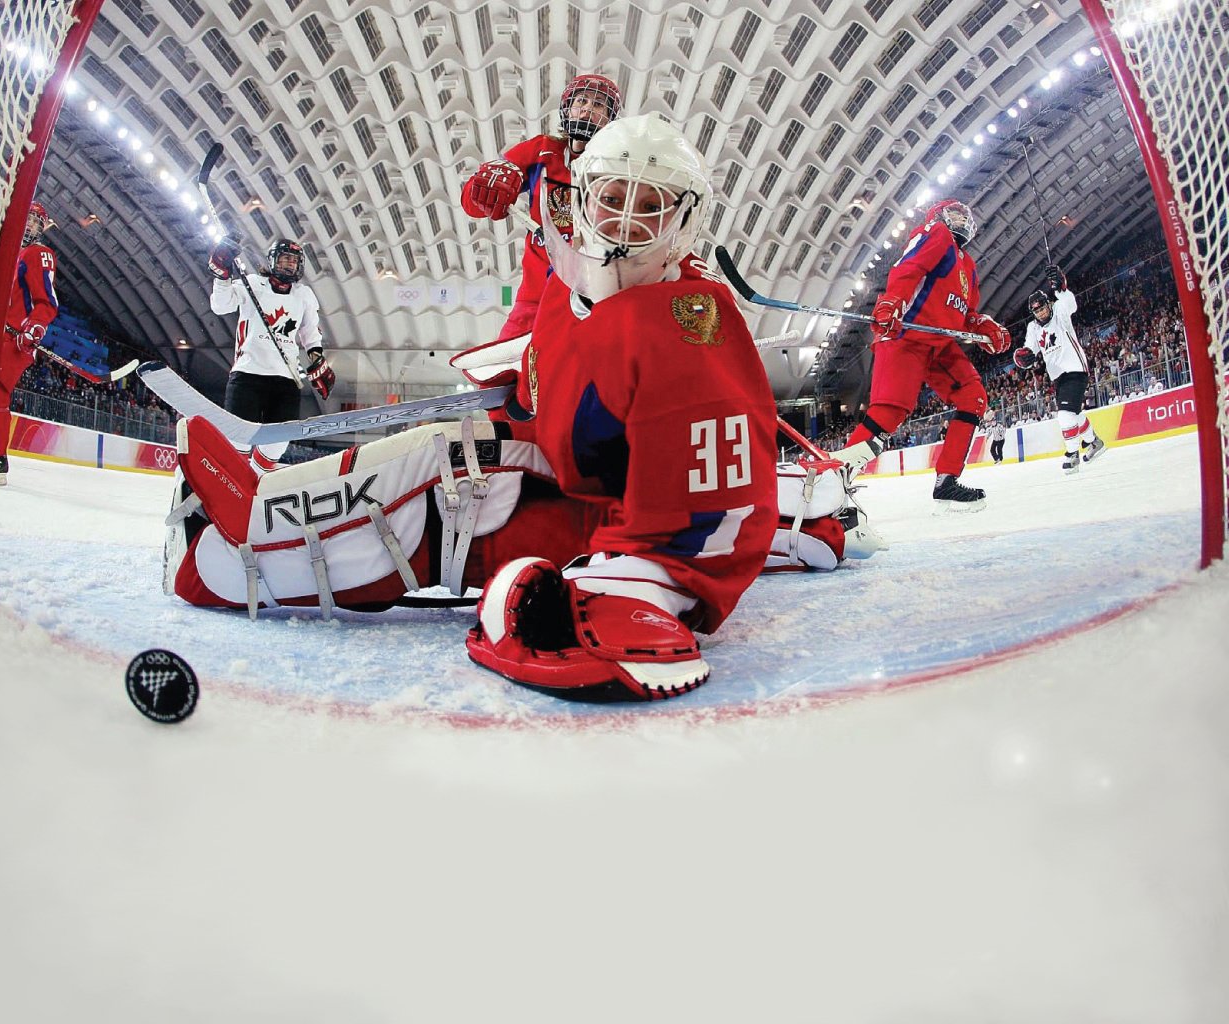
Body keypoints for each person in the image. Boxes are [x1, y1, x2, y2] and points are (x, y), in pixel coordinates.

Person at [163, 114, 879, 703]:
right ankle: (266, 507)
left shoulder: (690, 317)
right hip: (585, 483)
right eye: (612, 198)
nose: (626, 221)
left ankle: (235, 555)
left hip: (604, 523)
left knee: (454, 484)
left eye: (650, 204)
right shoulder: (583, 289)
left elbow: (711, 504)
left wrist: (634, 591)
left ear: (685, 219)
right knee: (459, 444)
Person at [837, 198, 1010, 510]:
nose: (960, 219)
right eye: (954, 213)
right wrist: (892, 301)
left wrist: (983, 326)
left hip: (939, 343)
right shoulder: (935, 234)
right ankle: (834, 482)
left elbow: (965, 314)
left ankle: (947, 481)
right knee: (889, 414)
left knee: (973, 397)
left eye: (963, 214)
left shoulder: (967, 266)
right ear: (939, 215)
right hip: (906, 334)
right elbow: (909, 267)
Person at [453, 73, 621, 383]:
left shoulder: (620, 163)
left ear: (610, 118)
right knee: (502, 376)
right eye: (581, 101)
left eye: (598, 104)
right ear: (567, 109)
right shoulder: (543, 150)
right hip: (536, 296)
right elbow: (471, 205)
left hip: (595, 298)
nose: (587, 110)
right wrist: (485, 189)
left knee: (587, 379)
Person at [206, 236, 334, 471]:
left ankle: (256, 479)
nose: (289, 264)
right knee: (238, 439)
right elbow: (220, 306)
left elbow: (310, 333)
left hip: (286, 379)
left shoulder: (303, 295)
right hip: (248, 375)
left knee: (278, 442)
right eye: (284, 259)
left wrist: (317, 360)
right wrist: (222, 276)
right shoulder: (252, 284)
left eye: (294, 261)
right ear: (273, 260)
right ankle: (233, 480)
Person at [0, 201, 59, 485]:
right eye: (27, 217)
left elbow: (47, 301)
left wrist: (34, 327)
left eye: (36, 220)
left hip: (14, 340)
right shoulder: (10, 253)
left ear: (42, 227)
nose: (30, 223)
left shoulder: (39, 253)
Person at [1013, 265, 1105, 473]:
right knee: (1075, 413)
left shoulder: (1060, 312)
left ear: (1048, 303)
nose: (1041, 312)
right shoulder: (1033, 328)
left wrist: (1061, 288)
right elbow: (1029, 348)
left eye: (1043, 307)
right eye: (1036, 310)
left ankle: (1072, 454)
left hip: (1075, 369)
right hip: (1058, 376)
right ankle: (1094, 442)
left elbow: (1070, 303)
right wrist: (1022, 357)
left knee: (1064, 414)